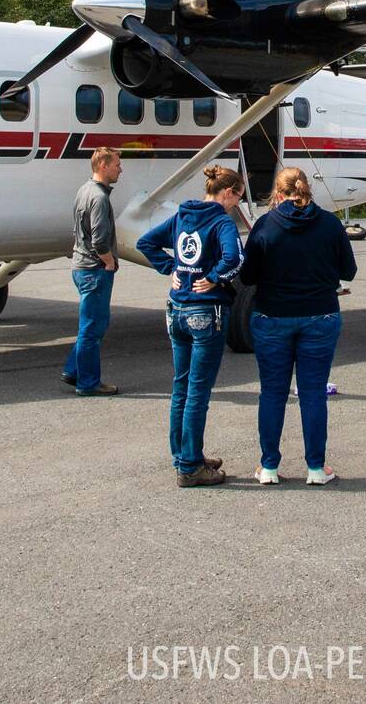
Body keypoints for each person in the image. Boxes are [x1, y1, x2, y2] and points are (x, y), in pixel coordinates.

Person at [242, 167, 356, 485]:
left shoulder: (265, 225)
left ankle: (268, 467)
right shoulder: (330, 224)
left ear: (278, 193)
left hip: (271, 316)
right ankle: (317, 468)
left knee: (273, 393)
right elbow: (349, 270)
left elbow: (247, 276)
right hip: (320, 315)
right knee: (313, 394)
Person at [136, 164, 246, 488]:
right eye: (237, 197)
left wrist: (171, 267)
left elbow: (146, 243)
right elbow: (235, 259)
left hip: (176, 308)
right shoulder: (221, 222)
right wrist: (212, 278)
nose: (237, 204)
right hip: (204, 312)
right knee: (198, 390)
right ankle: (191, 466)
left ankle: (185, 454)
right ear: (227, 193)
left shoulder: (182, 216)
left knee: (180, 387)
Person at [63, 147, 122, 396]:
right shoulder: (98, 198)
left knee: (92, 325)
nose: (120, 169)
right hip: (94, 269)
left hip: (81, 266)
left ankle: (73, 369)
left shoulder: (83, 190)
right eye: (116, 164)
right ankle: (88, 383)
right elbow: (99, 239)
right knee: (93, 328)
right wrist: (108, 262)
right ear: (103, 166)